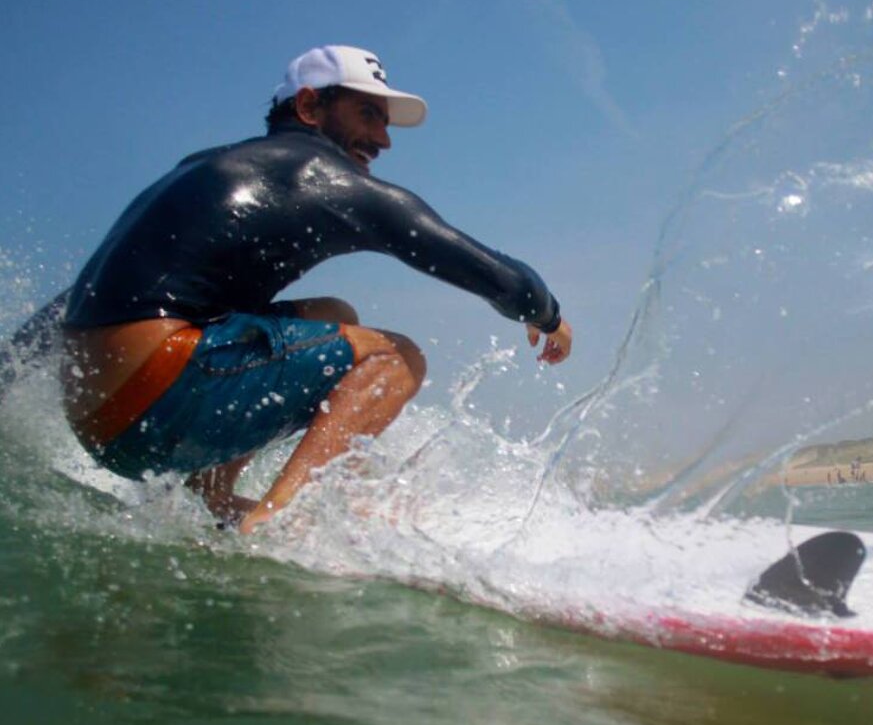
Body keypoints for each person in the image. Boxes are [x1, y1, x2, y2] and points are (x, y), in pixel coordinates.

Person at [55, 45, 573, 533]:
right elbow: (483, 267)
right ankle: (277, 522)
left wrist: (19, 369)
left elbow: (89, 292)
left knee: (333, 313)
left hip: (97, 414)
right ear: (308, 106)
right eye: (367, 114)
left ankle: (212, 494)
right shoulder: (316, 174)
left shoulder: (204, 166)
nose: (384, 140)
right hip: (158, 397)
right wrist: (546, 314)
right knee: (397, 359)